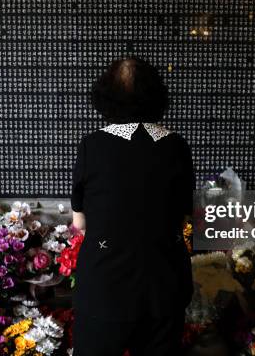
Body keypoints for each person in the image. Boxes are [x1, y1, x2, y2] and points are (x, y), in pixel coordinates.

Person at [71, 58, 195, 356]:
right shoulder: (177, 146)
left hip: (105, 288)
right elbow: (186, 217)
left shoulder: (92, 146)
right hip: (163, 287)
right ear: (157, 96)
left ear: (105, 97)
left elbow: (80, 224)